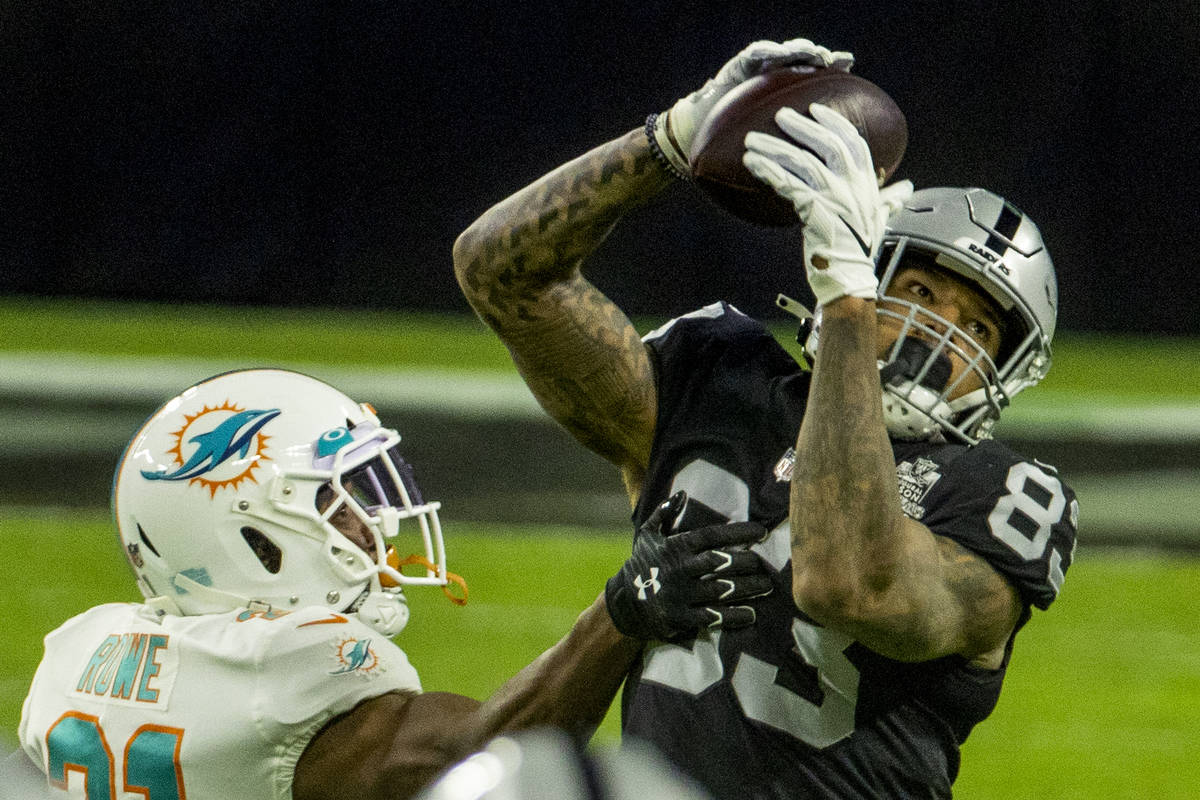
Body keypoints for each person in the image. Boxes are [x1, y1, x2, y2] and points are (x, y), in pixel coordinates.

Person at [452, 37, 1079, 799]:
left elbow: (848, 583)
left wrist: (850, 299)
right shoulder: (722, 377)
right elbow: (501, 274)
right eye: (916, 292)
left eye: (978, 330)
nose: (935, 335)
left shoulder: (999, 493)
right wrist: (671, 140)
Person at [17, 368, 772, 800]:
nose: (370, 523)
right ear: (243, 536)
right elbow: (487, 761)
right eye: (332, 500)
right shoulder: (280, 673)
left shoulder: (76, 656)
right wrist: (620, 614)